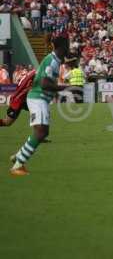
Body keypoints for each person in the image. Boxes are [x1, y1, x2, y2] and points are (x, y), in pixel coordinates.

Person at [9, 37, 69, 176]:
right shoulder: (52, 61)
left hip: (41, 99)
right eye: (68, 44)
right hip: (37, 98)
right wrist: (65, 87)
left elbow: (48, 82)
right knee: (41, 132)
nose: (69, 47)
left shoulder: (56, 60)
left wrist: (56, 93)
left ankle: (18, 157)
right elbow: (44, 84)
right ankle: (17, 166)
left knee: (43, 132)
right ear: (63, 47)